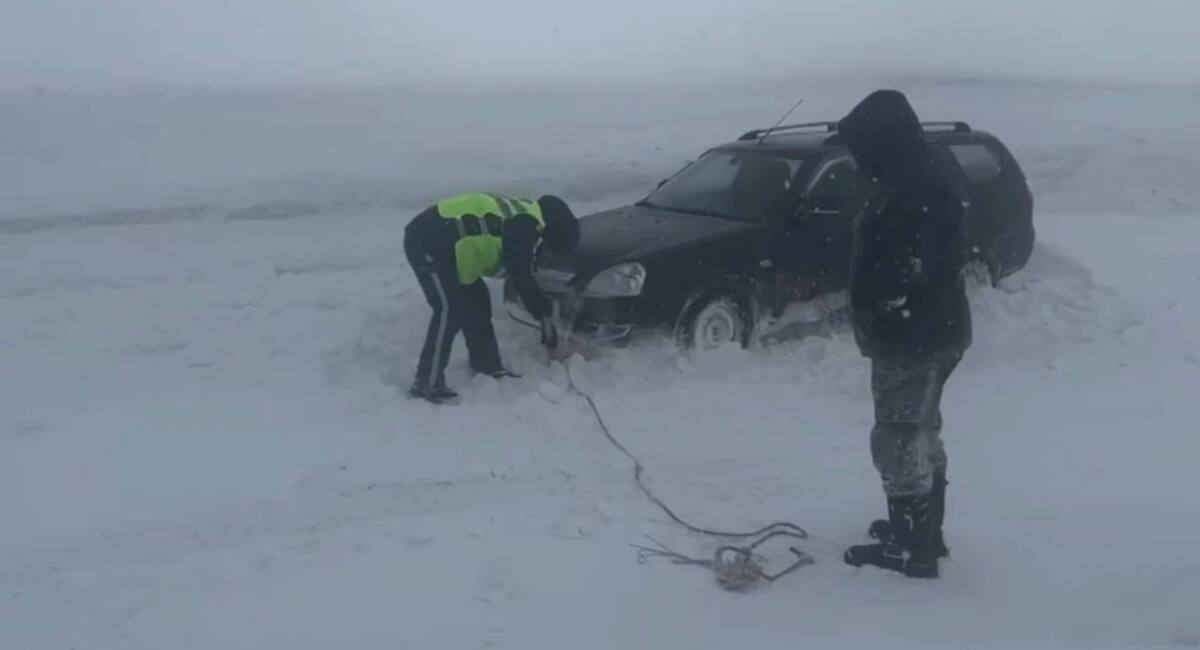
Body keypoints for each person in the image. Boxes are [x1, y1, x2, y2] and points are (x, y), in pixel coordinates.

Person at [837, 90, 973, 578]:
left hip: (915, 336)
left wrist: (882, 309)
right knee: (920, 430)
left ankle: (911, 548)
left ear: (882, 144)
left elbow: (908, 268)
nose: (856, 162)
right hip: (933, 328)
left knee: (898, 437)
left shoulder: (916, 190)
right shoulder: (921, 173)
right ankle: (923, 534)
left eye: (860, 150)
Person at [403, 192, 580, 404]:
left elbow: (517, 267)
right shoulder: (526, 226)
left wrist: (543, 315)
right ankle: (426, 383)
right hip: (428, 242)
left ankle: (486, 363)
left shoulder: (525, 213)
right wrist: (545, 311)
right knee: (449, 310)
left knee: (477, 301)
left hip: (449, 248)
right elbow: (520, 275)